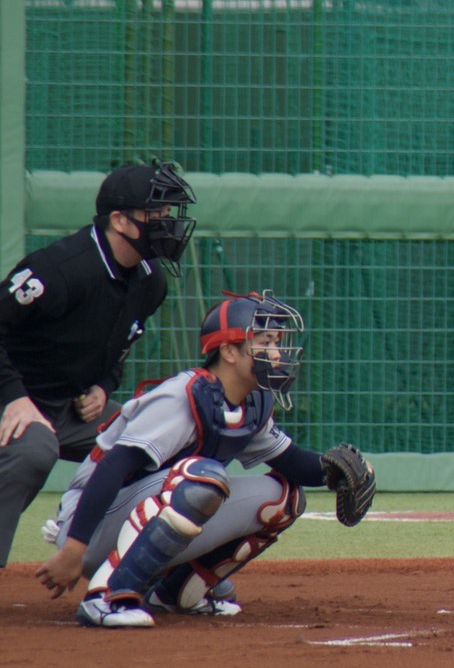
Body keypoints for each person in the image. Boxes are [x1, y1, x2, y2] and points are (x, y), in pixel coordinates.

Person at [33, 290, 376, 628]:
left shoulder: (249, 402)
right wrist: (74, 550)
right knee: (202, 478)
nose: (275, 354)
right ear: (228, 350)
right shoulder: (182, 396)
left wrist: (336, 473)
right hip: (90, 525)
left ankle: (175, 591)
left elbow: (292, 462)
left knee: (285, 498)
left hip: (147, 509)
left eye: (275, 342)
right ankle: (108, 596)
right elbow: (112, 467)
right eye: (264, 342)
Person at [0, 161, 197, 567]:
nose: (168, 224)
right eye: (156, 215)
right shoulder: (59, 270)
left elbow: (117, 347)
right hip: (14, 400)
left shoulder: (150, 280)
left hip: (69, 408)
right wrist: (14, 396)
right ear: (120, 221)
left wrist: (105, 384)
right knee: (36, 449)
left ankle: (143, 567)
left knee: (164, 447)